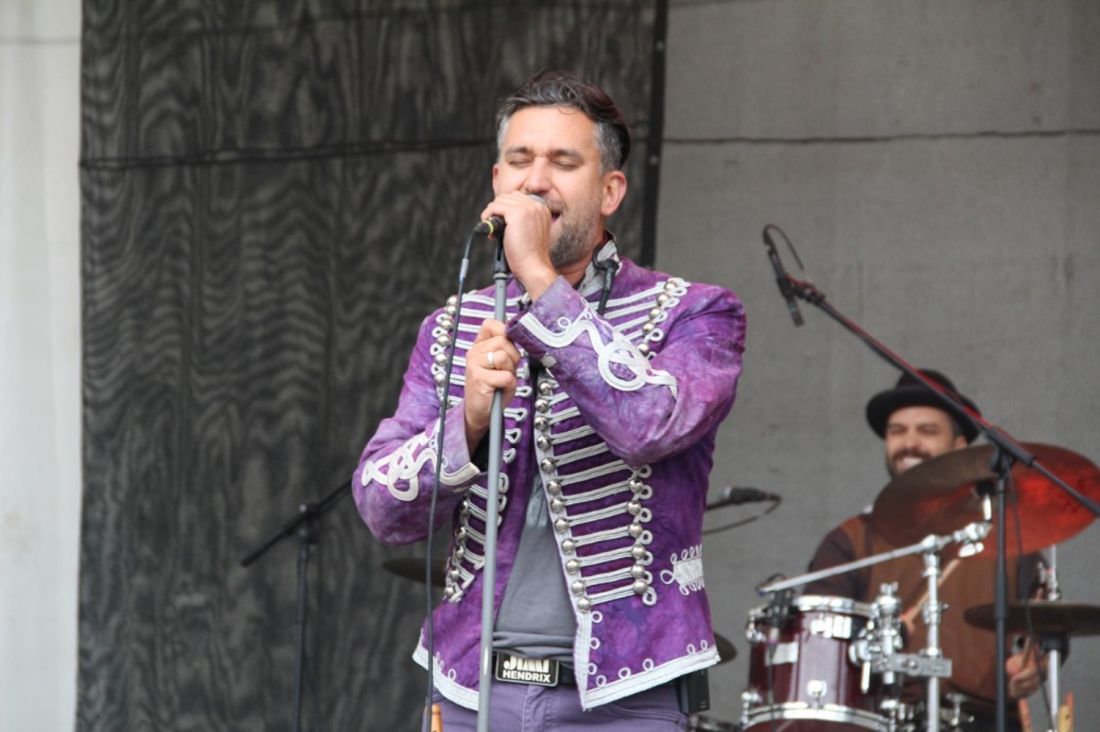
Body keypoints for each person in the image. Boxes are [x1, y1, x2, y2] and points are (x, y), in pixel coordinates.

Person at [352, 70, 746, 730]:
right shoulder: (451, 327)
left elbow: (649, 425)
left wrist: (538, 275)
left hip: (628, 700)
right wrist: (468, 419)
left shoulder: (698, 314)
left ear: (610, 190)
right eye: (519, 161)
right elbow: (381, 508)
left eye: (563, 162)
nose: (535, 182)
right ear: (496, 181)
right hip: (470, 691)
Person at [804, 370, 1046, 731]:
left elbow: (1050, 620)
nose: (909, 443)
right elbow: (818, 636)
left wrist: (1037, 662)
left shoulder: (1005, 536)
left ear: (960, 445)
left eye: (927, 431)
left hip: (986, 721)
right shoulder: (851, 539)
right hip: (881, 721)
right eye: (897, 431)